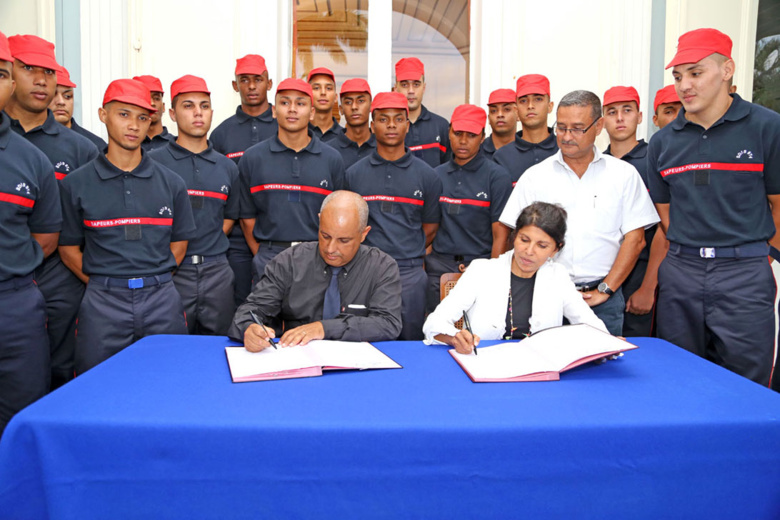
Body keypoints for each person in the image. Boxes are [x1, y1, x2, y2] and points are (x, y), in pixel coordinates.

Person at [647, 28, 780, 386]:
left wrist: (759, 258)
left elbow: (779, 205)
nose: (684, 85)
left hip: (745, 274)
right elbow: (666, 214)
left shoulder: (767, 128)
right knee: (678, 378)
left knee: (746, 383)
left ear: (727, 70)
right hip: (682, 271)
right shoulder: (661, 144)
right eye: (678, 76)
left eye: (695, 72)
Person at [58, 78, 196, 373]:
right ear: (102, 114)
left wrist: (153, 278)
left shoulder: (172, 183)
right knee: (96, 387)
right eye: (124, 114)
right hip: (102, 302)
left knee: (169, 379)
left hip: (161, 298)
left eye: (142, 117)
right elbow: (68, 248)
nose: (134, 125)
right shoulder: (75, 184)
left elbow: (180, 243)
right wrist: (106, 282)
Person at [499, 90, 659, 336]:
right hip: (543, 296)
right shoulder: (535, 177)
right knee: (544, 368)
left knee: (603, 371)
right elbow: (512, 236)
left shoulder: (623, 175)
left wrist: (606, 290)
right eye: (561, 127)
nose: (566, 136)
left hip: (603, 300)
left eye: (577, 128)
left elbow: (635, 240)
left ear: (598, 126)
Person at [5, 34, 99, 390]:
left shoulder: (81, 149)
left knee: (62, 368)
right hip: (6, 276)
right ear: (10, 74)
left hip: (60, 276)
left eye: (48, 72)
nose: (42, 80)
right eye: (29, 69)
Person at [423, 202, 607, 353]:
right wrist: (455, 338)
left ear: (556, 249)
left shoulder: (557, 276)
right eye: (524, 240)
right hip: (486, 364)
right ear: (514, 237)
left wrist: (607, 343)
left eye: (542, 245)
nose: (529, 252)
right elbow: (434, 323)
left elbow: (588, 324)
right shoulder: (482, 271)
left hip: (540, 367)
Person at [229, 190, 402, 350]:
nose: (330, 248)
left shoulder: (382, 267)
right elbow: (250, 311)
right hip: (298, 360)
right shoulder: (290, 261)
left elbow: (388, 324)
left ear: (364, 234)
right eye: (325, 236)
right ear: (319, 221)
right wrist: (249, 328)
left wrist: (323, 328)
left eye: (343, 240)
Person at [0, 30, 61, 437]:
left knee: (21, 418)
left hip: (14, 304)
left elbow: (45, 237)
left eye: (1, 73)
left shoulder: (31, 160)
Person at [344, 91, 442, 340]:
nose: (391, 125)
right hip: (364, 270)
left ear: (407, 126)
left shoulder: (427, 175)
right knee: (363, 342)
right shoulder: (353, 174)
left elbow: (430, 227)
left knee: (410, 344)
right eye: (383, 119)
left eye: (398, 119)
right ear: (372, 124)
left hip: (409, 273)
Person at [149, 75, 239, 335]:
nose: (198, 113)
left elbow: (228, 218)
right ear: (172, 114)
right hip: (172, 272)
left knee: (221, 345)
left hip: (217, 271)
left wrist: (206, 244)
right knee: (170, 348)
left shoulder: (227, 167)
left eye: (204, 105)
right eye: (188, 106)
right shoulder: (153, 164)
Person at [238, 77, 345, 286]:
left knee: (315, 319)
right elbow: (246, 217)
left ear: (312, 112)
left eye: (301, 103)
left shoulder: (332, 159)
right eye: (285, 103)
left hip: (318, 257)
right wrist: (262, 253)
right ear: (274, 110)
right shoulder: (252, 158)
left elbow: (338, 215)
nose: (292, 109)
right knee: (265, 319)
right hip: (269, 257)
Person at [426, 104, 512, 312]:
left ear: (483, 137)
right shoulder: (435, 175)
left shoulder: (497, 177)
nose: (463, 141)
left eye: (471, 135)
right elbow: (429, 229)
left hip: (479, 267)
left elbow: (500, 236)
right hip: (438, 269)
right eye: (457, 133)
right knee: (435, 332)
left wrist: (489, 274)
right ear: (449, 133)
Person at [211, 54, 278, 308]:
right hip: (235, 240)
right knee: (239, 306)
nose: (251, 86)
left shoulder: (284, 126)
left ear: (269, 83)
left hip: (276, 234)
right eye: (245, 80)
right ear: (235, 85)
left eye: (258, 80)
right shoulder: (221, 134)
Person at [602, 86, 665, 337]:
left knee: (639, 353)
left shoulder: (655, 159)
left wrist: (648, 286)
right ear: (602, 120)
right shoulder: (596, 163)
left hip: (642, 273)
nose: (619, 118)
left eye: (627, 110)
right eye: (612, 111)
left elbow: (666, 227)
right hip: (603, 274)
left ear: (639, 117)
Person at [493, 74, 559, 185]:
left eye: (538, 99)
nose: (530, 105)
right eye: (523, 101)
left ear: (550, 106)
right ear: (516, 110)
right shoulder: (501, 157)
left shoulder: (564, 150)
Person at [393, 57, 450, 168]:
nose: (411, 91)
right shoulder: (389, 128)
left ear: (424, 88)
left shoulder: (441, 126)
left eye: (416, 84)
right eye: (404, 85)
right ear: (395, 88)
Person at [48, 66, 107, 150]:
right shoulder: (30, 140)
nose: (61, 102)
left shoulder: (94, 145)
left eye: (67, 96)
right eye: (53, 95)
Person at [334, 78, 375, 169]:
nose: (354, 107)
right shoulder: (329, 151)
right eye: (348, 102)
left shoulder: (382, 148)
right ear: (341, 109)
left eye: (360, 101)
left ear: (371, 106)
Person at [133, 75, 176, 151]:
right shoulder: (125, 146)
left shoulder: (176, 145)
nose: (152, 103)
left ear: (163, 107)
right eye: (145, 98)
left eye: (156, 98)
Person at [307, 67, 343, 144]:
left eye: (329, 88)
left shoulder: (345, 137)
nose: (323, 92)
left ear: (335, 97)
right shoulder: (299, 135)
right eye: (316, 88)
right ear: (308, 95)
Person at [481, 88, 518, 159]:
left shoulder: (528, 151)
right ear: (488, 118)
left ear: (518, 115)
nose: (500, 115)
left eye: (506, 109)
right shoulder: (477, 152)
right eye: (494, 111)